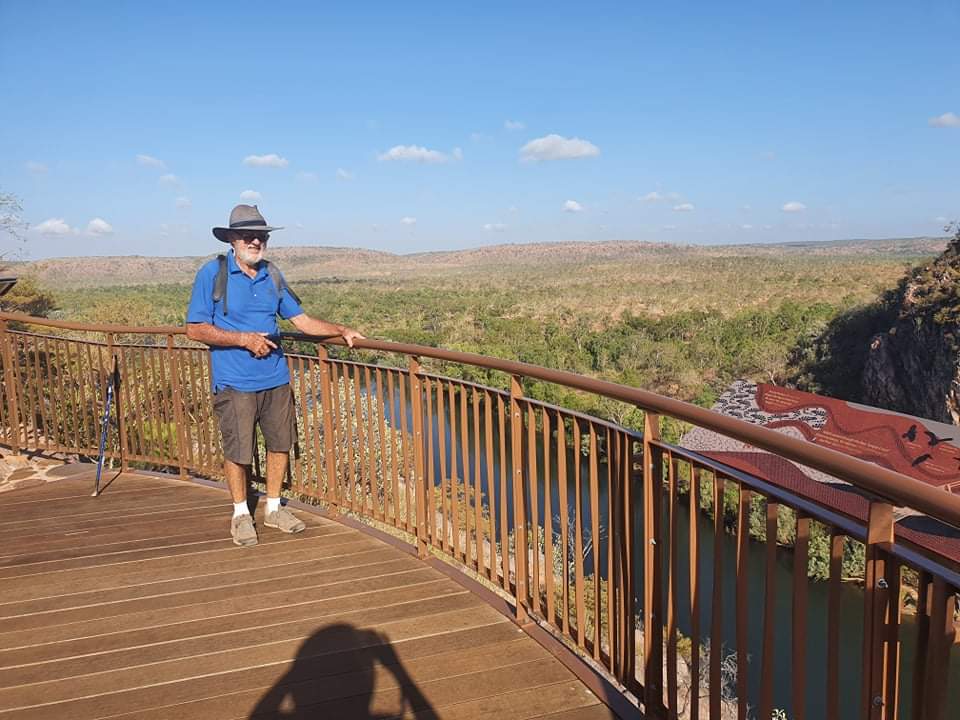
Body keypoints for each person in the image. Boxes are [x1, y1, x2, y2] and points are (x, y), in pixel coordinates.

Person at [186, 204, 364, 547]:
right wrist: (244, 339)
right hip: (235, 381)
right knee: (239, 449)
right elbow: (195, 329)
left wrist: (342, 330)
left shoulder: (272, 275)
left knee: (280, 444)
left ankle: (272, 508)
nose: (256, 241)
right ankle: (241, 514)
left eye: (261, 236)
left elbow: (302, 322)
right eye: (248, 235)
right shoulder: (213, 273)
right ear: (232, 239)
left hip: (276, 378)